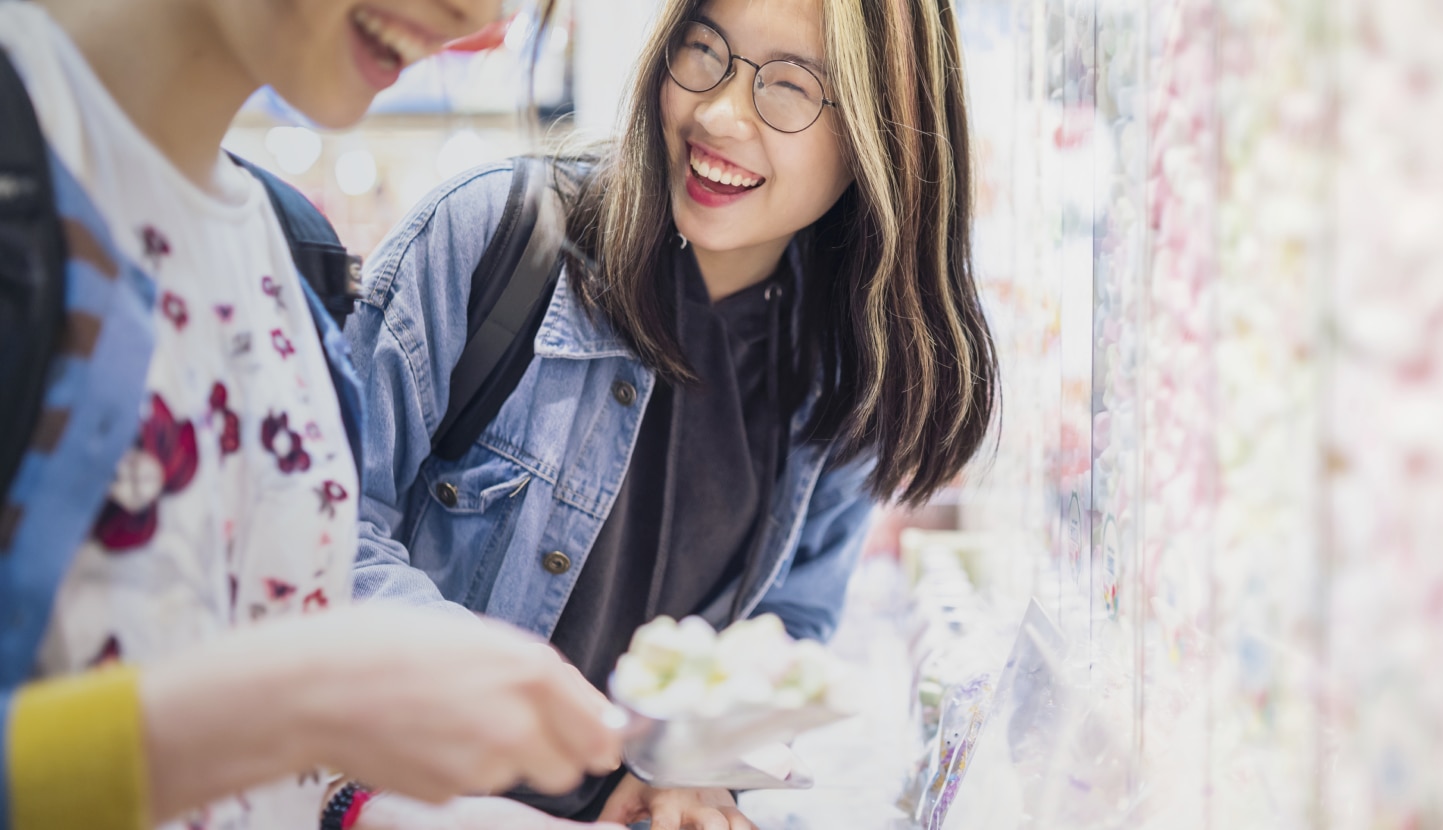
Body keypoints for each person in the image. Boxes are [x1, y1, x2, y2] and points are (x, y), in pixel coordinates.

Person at [344, 0, 998, 823]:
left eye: (791, 87)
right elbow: (318, 538)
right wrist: (491, 687)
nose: (718, 113)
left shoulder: (844, 367)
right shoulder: (488, 243)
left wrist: (697, 768)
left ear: (884, 132)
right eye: (704, 50)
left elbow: (789, 622)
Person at [0, 1, 626, 829]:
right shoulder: (31, 173)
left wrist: (372, 810)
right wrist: (300, 704)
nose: (482, 13)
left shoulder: (286, 249)